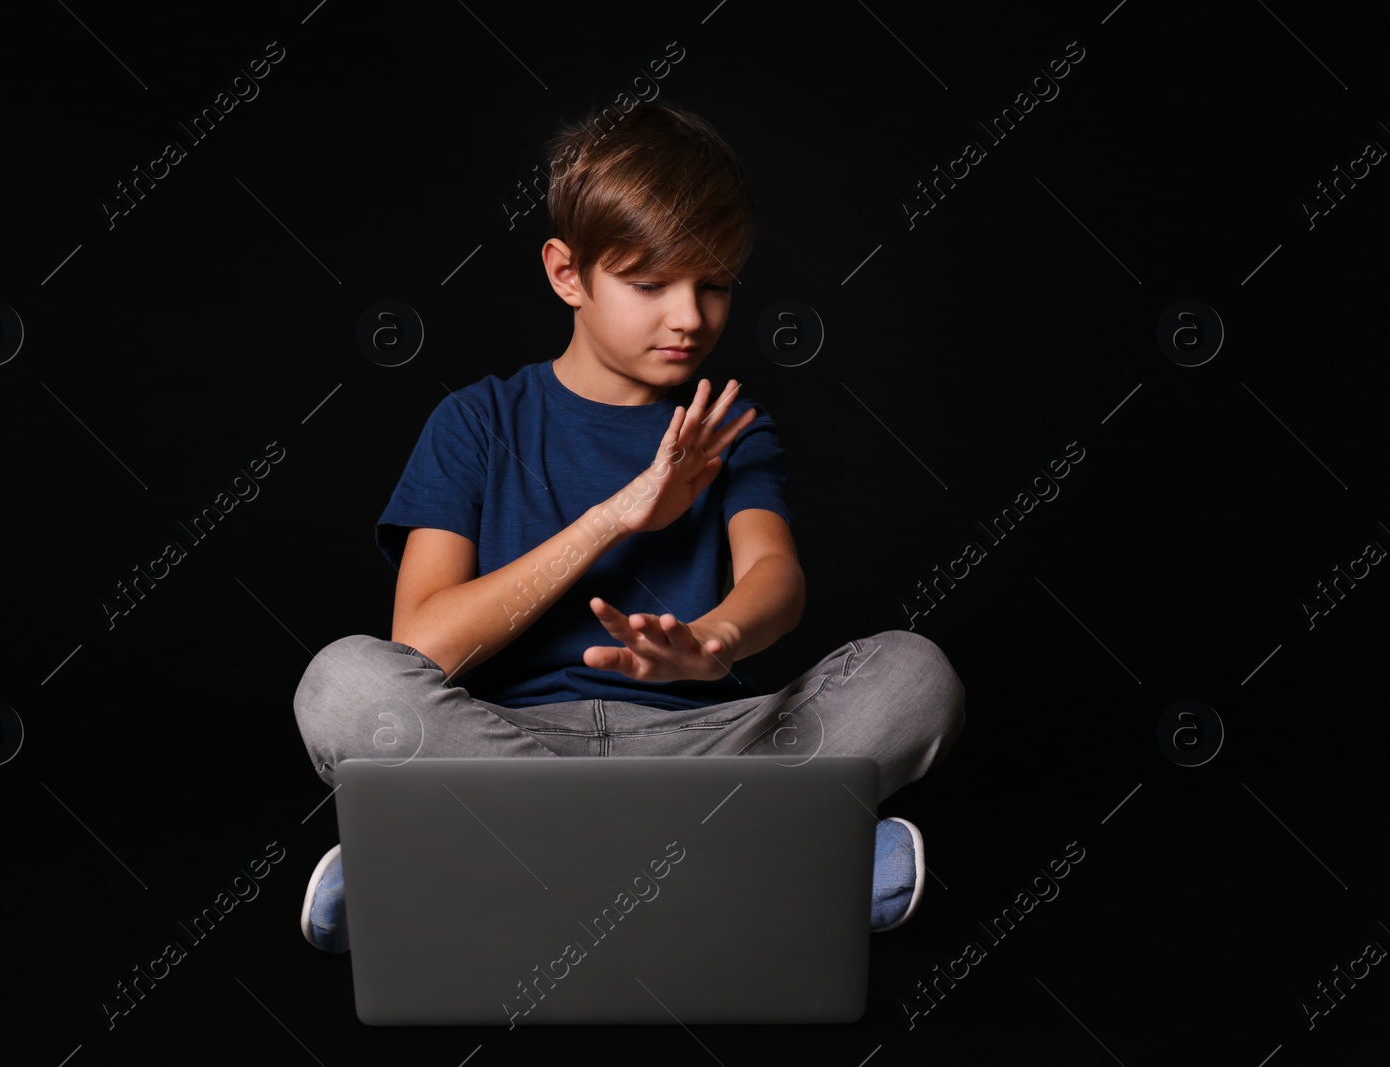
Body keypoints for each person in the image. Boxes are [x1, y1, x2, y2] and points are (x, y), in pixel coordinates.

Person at [292, 101, 965, 954]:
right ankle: (778, 864)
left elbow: (776, 579)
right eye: (650, 285)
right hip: (505, 748)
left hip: (700, 751)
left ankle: (439, 872)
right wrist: (615, 517)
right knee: (344, 682)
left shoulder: (731, 426)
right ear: (568, 273)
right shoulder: (477, 421)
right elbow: (422, 644)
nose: (689, 317)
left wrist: (714, 641)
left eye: (715, 284)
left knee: (915, 675)